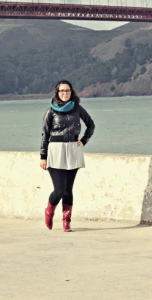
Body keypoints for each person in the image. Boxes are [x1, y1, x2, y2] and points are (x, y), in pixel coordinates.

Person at [40, 79, 95, 232]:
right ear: (57, 93)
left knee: (68, 190)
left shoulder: (77, 108)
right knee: (59, 189)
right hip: (55, 150)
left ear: (72, 92)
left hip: (73, 149)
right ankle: (49, 211)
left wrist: (84, 140)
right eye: (62, 91)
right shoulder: (50, 111)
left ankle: (66, 221)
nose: (65, 93)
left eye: (68, 90)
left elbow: (91, 124)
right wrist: (43, 156)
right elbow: (44, 134)